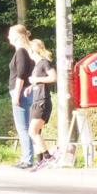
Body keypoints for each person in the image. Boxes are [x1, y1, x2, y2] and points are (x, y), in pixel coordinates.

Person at [25, 39, 57, 169]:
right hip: (36, 100)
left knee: (33, 131)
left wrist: (36, 79)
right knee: (34, 131)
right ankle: (40, 160)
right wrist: (31, 87)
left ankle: (48, 157)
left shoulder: (44, 63)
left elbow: (53, 77)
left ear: (34, 51)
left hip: (43, 101)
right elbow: (38, 81)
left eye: (29, 52)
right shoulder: (37, 66)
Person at [7, 24, 35, 169]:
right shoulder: (25, 51)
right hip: (24, 91)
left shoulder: (21, 52)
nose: (8, 37)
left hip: (20, 92)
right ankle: (27, 157)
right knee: (25, 126)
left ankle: (28, 159)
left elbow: (21, 74)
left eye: (10, 35)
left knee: (23, 127)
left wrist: (16, 95)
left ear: (17, 36)